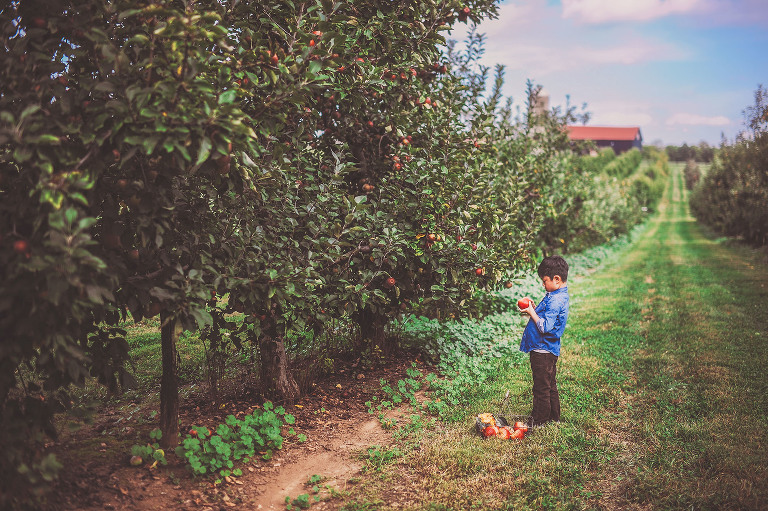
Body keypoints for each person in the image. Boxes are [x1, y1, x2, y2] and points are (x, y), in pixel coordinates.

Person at [519, 255, 570, 427]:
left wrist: (531, 313)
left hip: (543, 350)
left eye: (545, 280)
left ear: (557, 279)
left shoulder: (555, 300)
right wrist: (534, 309)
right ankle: (553, 417)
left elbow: (544, 327)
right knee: (550, 384)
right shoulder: (556, 294)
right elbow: (546, 316)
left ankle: (538, 421)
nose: (543, 284)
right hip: (548, 349)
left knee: (541, 388)